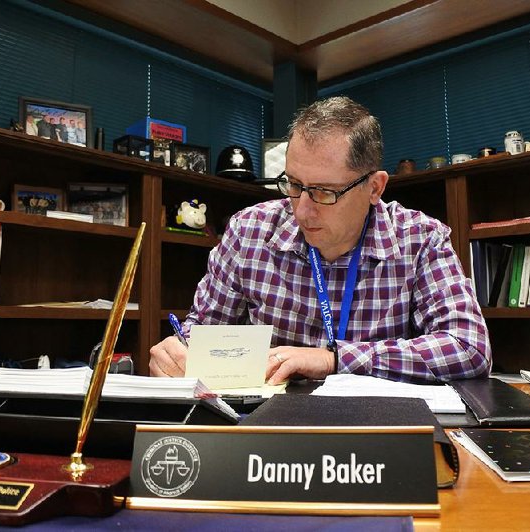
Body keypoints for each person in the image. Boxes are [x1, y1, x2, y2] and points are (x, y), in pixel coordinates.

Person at [149, 96, 491, 385]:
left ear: (374, 188)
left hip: (375, 435)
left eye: (325, 192)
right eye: (294, 185)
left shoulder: (421, 239)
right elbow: (201, 333)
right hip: (267, 433)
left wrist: (335, 359)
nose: (303, 210)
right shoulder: (248, 231)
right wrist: (178, 354)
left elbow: (469, 348)